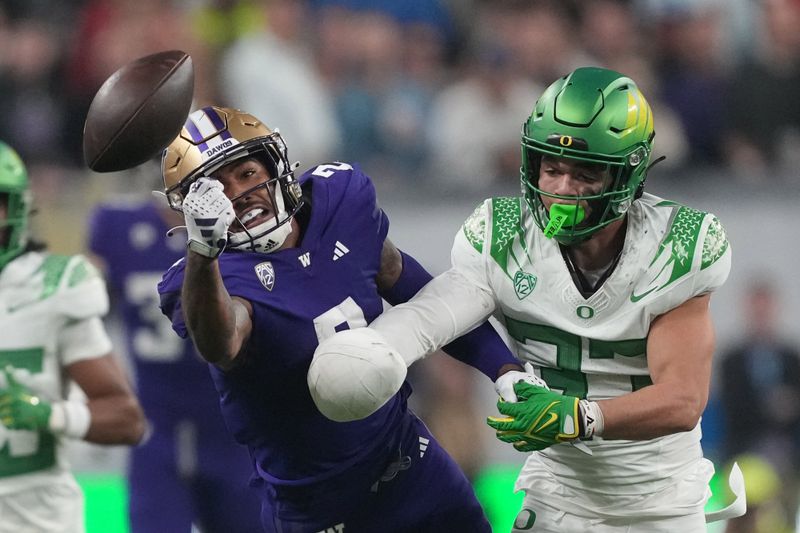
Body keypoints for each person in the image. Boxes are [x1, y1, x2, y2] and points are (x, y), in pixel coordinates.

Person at [312, 66, 742, 532]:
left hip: (661, 502)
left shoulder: (676, 244)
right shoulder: (503, 232)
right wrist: (378, 349)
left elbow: (682, 400)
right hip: (557, 494)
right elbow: (440, 310)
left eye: (584, 174)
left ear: (628, 174)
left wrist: (580, 417)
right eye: (551, 167)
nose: (560, 189)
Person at [156, 106, 525, 532]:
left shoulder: (339, 202)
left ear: (274, 164)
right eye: (215, 190)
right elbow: (222, 342)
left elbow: (427, 299)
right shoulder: (205, 280)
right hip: (318, 506)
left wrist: (503, 367)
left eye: (247, 173)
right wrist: (203, 252)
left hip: (410, 463)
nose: (238, 194)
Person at [87, 185, 262, 532]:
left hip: (234, 433)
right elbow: (81, 304)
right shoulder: (118, 223)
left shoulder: (246, 228)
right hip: (157, 432)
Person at [0, 140, 146, 533]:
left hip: (34, 521)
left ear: (15, 210)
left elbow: (127, 419)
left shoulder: (51, 289)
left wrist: (52, 414)